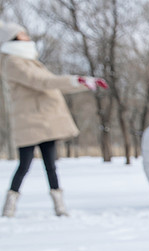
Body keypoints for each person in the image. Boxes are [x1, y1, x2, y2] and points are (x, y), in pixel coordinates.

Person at [1, 21, 108, 218]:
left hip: (45, 120)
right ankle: (10, 205)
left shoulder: (29, 59)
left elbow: (50, 83)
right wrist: (77, 80)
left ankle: (59, 205)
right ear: (13, 37)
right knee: (24, 164)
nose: (26, 34)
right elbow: (42, 82)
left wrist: (83, 83)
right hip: (29, 121)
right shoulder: (13, 62)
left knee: (51, 164)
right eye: (22, 33)